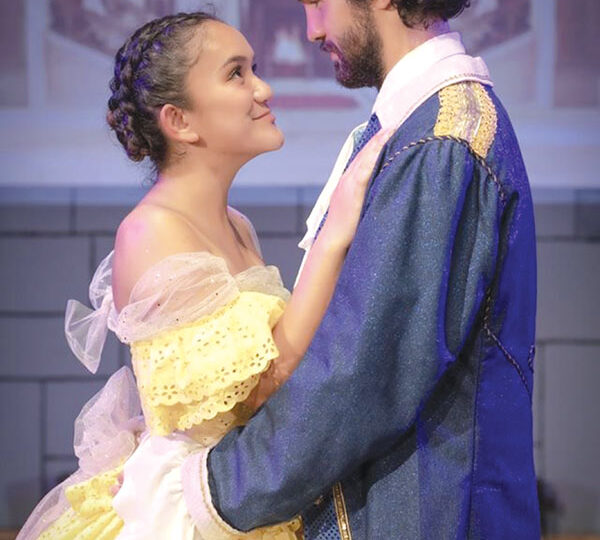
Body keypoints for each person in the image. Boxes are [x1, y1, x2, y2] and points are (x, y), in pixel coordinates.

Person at [170, 0, 541, 538]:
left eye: (318, 2)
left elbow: (362, 375)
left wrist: (211, 489)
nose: (311, 30)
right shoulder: (420, 127)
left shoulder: (440, 143)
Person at [16, 10, 389, 540]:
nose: (263, 88)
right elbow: (263, 385)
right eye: (236, 73)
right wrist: (333, 235)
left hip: (247, 489)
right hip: (193, 511)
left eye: (254, 69)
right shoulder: (151, 230)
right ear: (179, 121)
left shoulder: (237, 225)